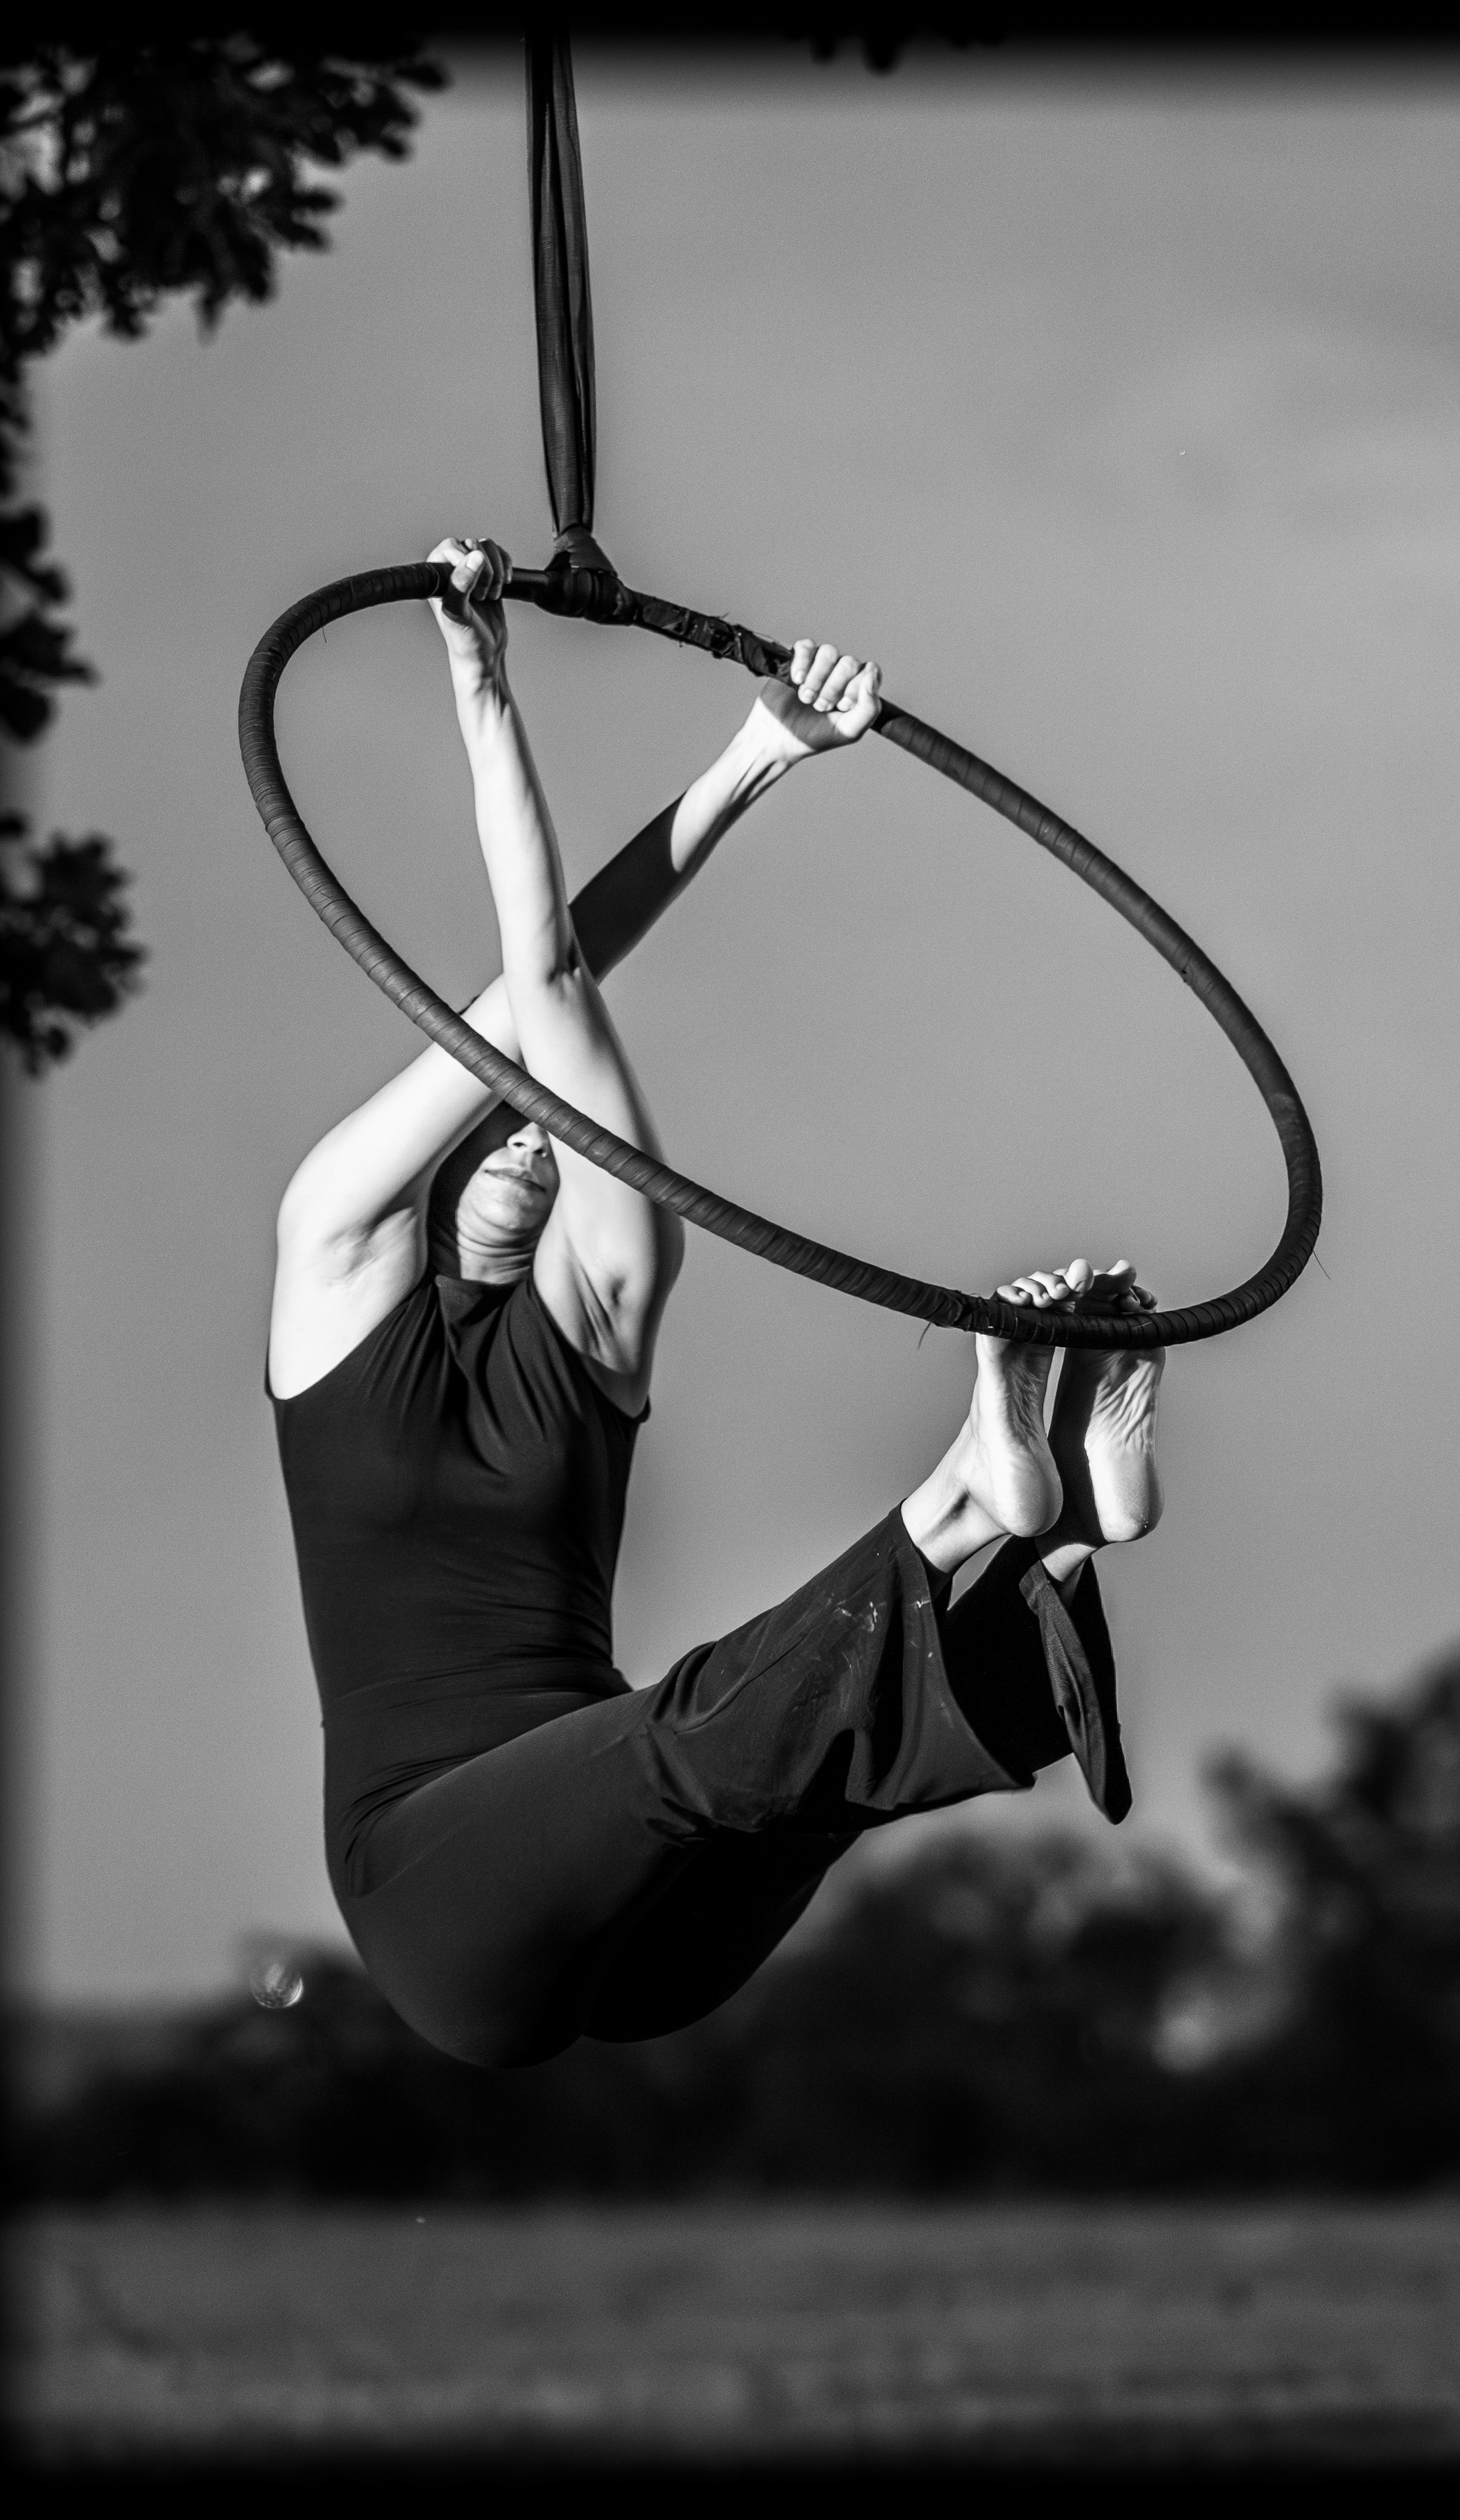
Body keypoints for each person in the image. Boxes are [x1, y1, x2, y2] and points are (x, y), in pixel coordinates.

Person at [269, 536, 1166, 2069]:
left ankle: (997, 1512)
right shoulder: (336, 1250)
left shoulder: (606, 1299)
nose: (536, 1131)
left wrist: (761, 751)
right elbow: (540, 981)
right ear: (448, 1126)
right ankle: (1021, 1524)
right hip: (535, 1917)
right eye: (500, 1108)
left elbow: (558, 1001)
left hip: (567, 1883)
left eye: (558, 1127)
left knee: (712, 1752)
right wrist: (491, 689)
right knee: (751, 1762)